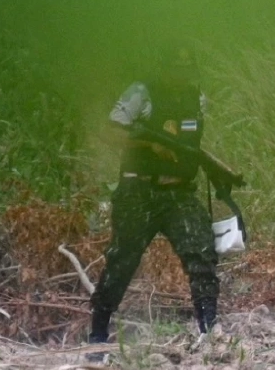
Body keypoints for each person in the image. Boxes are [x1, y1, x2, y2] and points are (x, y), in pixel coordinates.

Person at [89, 46, 237, 351]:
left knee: (201, 253)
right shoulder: (142, 93)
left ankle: (208, 328)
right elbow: (110, 131)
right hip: (139, 190)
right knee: (122, 260)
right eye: (175, 69)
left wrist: (215, 167)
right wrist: (148, 144)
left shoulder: (196, 98)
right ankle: (98, 333)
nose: (180, 76)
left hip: (180, 192)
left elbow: (189, 146)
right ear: (163, 68)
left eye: (186, 70)